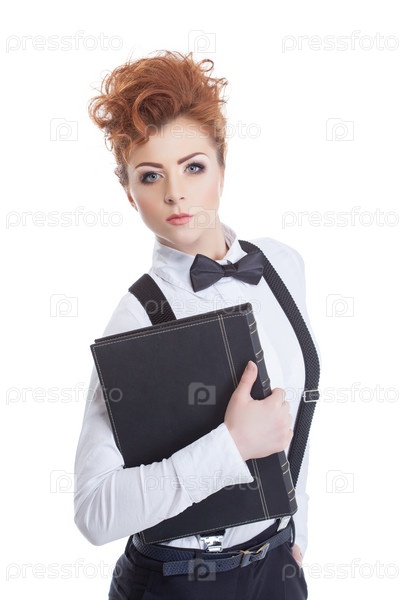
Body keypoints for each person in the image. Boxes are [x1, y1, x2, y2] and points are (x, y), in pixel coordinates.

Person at [74, 49, 320, 599]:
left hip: (277, 567)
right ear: (128, 191)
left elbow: (298, 409)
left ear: (222, 166)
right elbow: (93, 510)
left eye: (193, 167)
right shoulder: (135, 317)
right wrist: (231, 445)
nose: (175, 194)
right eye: (150, 175)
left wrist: (296, 531)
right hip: (178, 581)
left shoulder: (283, 265)